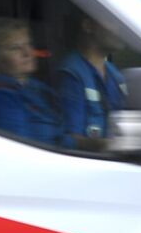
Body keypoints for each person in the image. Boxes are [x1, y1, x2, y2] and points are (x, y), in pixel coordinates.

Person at [0, 20, 62, 145]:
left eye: (28, 44)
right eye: (15, 48)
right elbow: (21, 146)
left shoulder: (37, 87)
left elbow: (63, 133)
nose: (27, 53)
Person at [55, 14, 128, 150]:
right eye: (111, 20)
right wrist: (108, 145)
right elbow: (68, 140)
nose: (119, 28)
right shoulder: (71, 74)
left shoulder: (116, 76)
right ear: (88, 26)